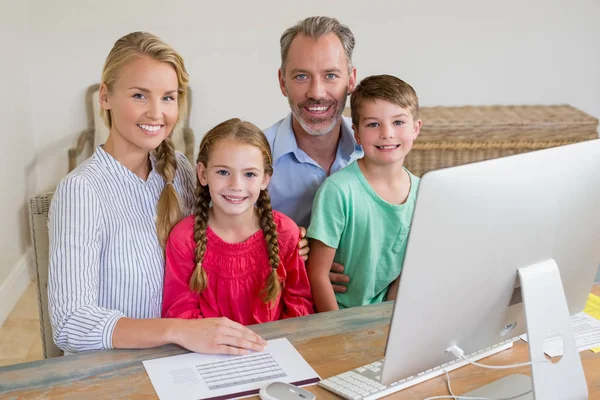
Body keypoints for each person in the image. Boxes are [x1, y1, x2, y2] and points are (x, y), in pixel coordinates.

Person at [48, 32, 266, 355]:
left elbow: (222, 233)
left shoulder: (180, 171)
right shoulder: (81, 192)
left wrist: (282, 236)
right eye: (139, 96)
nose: (156, 113)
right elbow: (70, 324)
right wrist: (178, 330)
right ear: (105, 97)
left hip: (179, 364)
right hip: (112, 373)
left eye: (168, 97)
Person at [161, 119, 314, 324]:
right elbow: (180, 311)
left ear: (265, 179)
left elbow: (299, 305)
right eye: (223, 172)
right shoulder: (184, 238)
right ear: (203, 173)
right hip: (206, 352)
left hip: (272, 350)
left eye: (249, 174)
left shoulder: (285, 231)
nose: (236, 185)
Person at [306, 74, 422, 311]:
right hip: (337, 317)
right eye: (373, 124)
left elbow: (406, 272)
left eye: (398, 122)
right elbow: (317, 275)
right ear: (356, 133)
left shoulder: (423, 193)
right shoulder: (338, 191)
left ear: (416, 128)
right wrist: (337, 332)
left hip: (387, 318)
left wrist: (387, 325)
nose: (387, 133)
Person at [264, 16, 363, 293]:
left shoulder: (376, 149)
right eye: (301, 76)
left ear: (351, 80)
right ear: (283, 82)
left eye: (331, 75)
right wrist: (296, 270)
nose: (316, 92)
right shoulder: (252, 159)